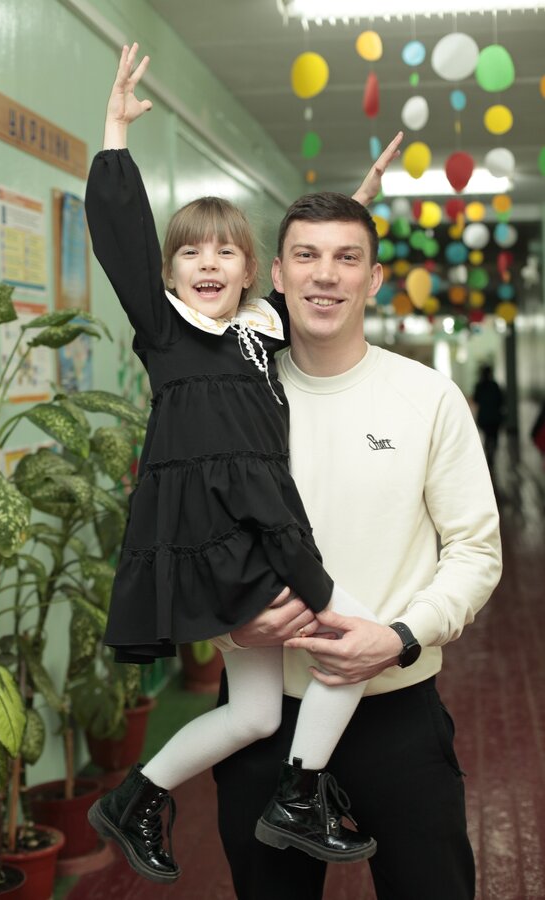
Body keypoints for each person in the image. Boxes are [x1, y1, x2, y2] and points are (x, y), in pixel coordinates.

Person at [84, 43, 403, 884]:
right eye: (191, 253)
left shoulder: (260, 332)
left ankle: (135, 796)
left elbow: (316, 271)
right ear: (170, 274)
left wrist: (360, 203)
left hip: (256, 545)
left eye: (225, 252)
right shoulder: (167, 335)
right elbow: (120, 236)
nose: (209, 264)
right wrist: (115, 132)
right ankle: (301, 795)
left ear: (249, 272)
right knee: (359, 635)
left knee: (257, 712)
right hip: (228, 550)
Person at [213, 192, 503, 900]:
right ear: (276, 275)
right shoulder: (228, 402)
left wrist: (400, 636)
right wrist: (228, 624)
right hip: (264, 722)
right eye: (307, 256)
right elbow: (187, 543)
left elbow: (475, 550)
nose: (326, 275)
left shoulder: (426, 397)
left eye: (348, 258)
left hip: (395, 712)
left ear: (373, 278)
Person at [473, 363, 505, 468]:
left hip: (484, 418)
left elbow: (475, 399)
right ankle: (492, 455)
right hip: (495, 417)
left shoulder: (479, 386)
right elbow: (501, 400)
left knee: (487, 437)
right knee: (494, 437)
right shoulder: (494, 385)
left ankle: (488, 455)